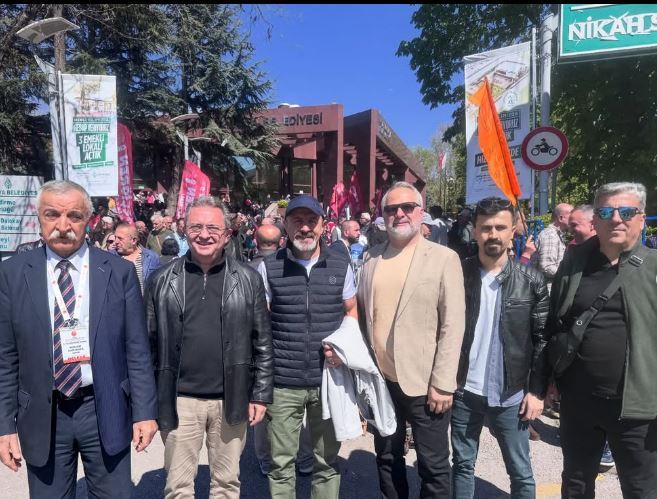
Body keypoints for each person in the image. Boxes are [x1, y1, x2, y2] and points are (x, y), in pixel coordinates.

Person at [0, 180, 158, 498]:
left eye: (74, 215)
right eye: (52, 214)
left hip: (103, 406)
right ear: (39, 218)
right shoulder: (13, 273)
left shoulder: (118, 271)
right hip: (44, 412)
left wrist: (144, 411)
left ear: (89, 219)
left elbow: (137, 349)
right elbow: (5, 356)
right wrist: (4, 425)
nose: (63, 225)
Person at [146, 196, 273, 498]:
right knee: (177, 487)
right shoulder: (161, 280)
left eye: (213, 228)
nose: (204, 235)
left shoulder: (248, 279)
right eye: (196, 227)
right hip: (179, 399)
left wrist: (260, 394)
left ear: (227, 234)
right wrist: (145, 405)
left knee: (226, 485)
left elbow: (262, 342)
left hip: (231, 398)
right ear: (184, 230)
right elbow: (147, 345)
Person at [547, 182, 657, 498]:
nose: (616, 219)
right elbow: (555, 323)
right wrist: (549, 379)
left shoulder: (653, 266)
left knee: (641, 489)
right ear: (595, 219)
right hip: (578, 400)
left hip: (637, 406)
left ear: (642, 219)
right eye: (607, 212)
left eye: (627, 211)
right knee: (576, 483)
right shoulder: (575, 262)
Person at [357, 181, 465, 498]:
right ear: (383, 215)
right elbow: (362, 318)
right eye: (392, 209)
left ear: (421, 212)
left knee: (433, 466)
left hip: (426, 384)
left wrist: (444, 382)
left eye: (407, 207)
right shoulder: (371, 259)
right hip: (382, 382)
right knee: (387, 458)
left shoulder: (444, 259)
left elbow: (453, 325)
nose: (400, 213)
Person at [257, 194, 357, 498]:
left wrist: (343, 348)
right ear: (285, 225)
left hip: (328, 379)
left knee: (326, 461)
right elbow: (260, 324)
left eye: (311, 221)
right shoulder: (270, 267)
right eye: (297, 221)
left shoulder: (341, 264)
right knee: (281, 463)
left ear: (323, 225)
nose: (305, 228)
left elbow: (351, 311)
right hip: (283, 382)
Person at [451, 197, 549, 499]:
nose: (493, 234)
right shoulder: (458, 274)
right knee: (462, 465)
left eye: (500, 227)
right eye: (486, 228)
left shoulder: (531, 280)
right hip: (464, 389)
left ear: (513, 231)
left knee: (520, 470)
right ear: (475, 231)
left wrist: (536, 391)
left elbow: (542, 339)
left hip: (511, 392)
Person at [113, 222, 160, 294]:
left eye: (120, 238)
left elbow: (158, 284)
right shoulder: (110, 257)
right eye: (115, 237)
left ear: (133, 241)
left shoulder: (152, 257)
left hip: (145, 300)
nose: (115, 242)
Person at [534, 203, 573, 286]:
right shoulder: (550, 235)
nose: (574, 219)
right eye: (571, 215)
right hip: (548, 289)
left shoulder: (556, 235)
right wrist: (570, 274)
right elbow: (546, 267)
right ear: (561, 218)